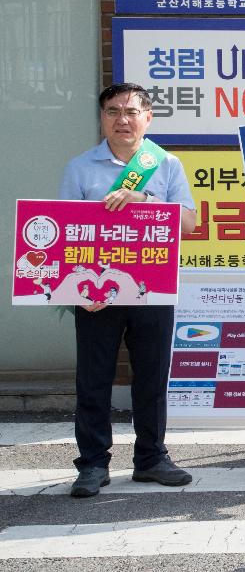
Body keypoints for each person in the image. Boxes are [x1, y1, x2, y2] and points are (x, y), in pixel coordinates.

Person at [58, 83, 199, 498]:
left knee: (152, 377)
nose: (122, 119)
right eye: (113, 111)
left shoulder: (165, 165)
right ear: (102, 118)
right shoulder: (80, 169)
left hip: (151, 288)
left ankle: (151, 458)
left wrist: (143, 199)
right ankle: (92, 464)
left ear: (148, 118)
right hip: (95, 291)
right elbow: (64, 235)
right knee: (93, 377)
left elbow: (189, 224)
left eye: (131, 111)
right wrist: (75, 289)